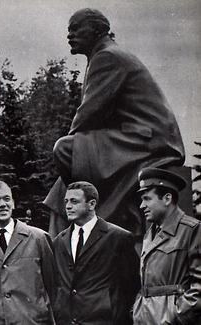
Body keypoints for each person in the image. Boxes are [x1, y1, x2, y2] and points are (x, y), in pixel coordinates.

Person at [44, 8, 185, 237]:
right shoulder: (103, 55)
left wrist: (73, 146)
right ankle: (61, 244)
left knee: (64, 150)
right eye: (68, 30)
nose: (69, 35)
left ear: (98, 29)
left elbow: (89, 114)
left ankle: (94, 215)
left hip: (146, 140)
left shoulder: (108, 56)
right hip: (133, 137)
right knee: (60, 190)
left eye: (76, 28)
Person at [53, 181, 140, 324]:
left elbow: (131, 284)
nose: (68, 206)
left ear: (91, 204)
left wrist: (115, 313)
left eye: (74, 201)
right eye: (66, 201)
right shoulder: (59, 241)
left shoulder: (118, 237)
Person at [0, 180, 58, 324]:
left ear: (13, 203)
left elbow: (53, 288)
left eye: (6, 199)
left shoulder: (39, 238)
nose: (3, 204)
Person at [133, 168, 200, 324]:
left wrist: (177, 316)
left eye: (147, 199)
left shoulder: (192, 230)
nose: (142, 205)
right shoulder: (150, 234)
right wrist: (136, 311)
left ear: (167, 198)